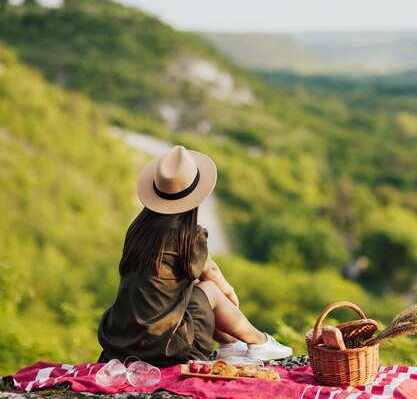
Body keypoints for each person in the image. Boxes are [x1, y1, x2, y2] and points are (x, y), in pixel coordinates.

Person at [97, 145, 292, 367]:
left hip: (122, 339)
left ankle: (230, 345)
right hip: (161, 347)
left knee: (190, 290)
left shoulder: (138, 230)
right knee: (209, 289)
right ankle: (259, 341)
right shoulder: (187, 236)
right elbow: (212, 273)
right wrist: (228, 292)